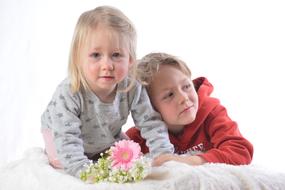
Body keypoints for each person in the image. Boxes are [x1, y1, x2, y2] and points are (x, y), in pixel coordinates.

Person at [41, 6, 174, 178]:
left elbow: (150, 122)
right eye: (96, 55)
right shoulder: (69, 91)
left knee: (133, 160)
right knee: (61, 162)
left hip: (105, 135)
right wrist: (83, 170)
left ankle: (99, 152)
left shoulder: (132, 86)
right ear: (78, 58)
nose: (107, 65)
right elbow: (66, 137)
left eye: (116, 55)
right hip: (60, 135)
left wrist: (163, 154)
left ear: (130, 60)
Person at [126, 52, 253, 166]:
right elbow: (113, 159)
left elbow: (240, 150)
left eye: (186, 86)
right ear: (149, 107)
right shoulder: (140, 136)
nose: (184, 98)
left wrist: (190, 161)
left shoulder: (212, 114)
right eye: (169, 95)